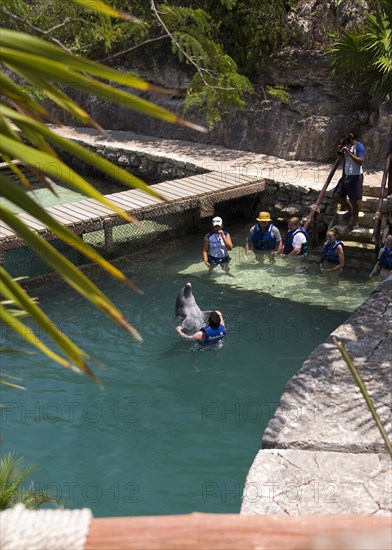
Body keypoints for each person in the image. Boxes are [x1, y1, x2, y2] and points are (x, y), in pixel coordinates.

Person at [333, 132, 365, 230]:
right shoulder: (345, 146)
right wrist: (340, 152)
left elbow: (361, 161)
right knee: (336, 195)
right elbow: (340, 159)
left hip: (355, 176)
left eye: (347, 142)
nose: (346, 144)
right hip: (346, 175)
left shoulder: (359, 146)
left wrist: (349, 152)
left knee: (354, 200)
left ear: (352, 140)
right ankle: (349, 209)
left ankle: (355, 223)